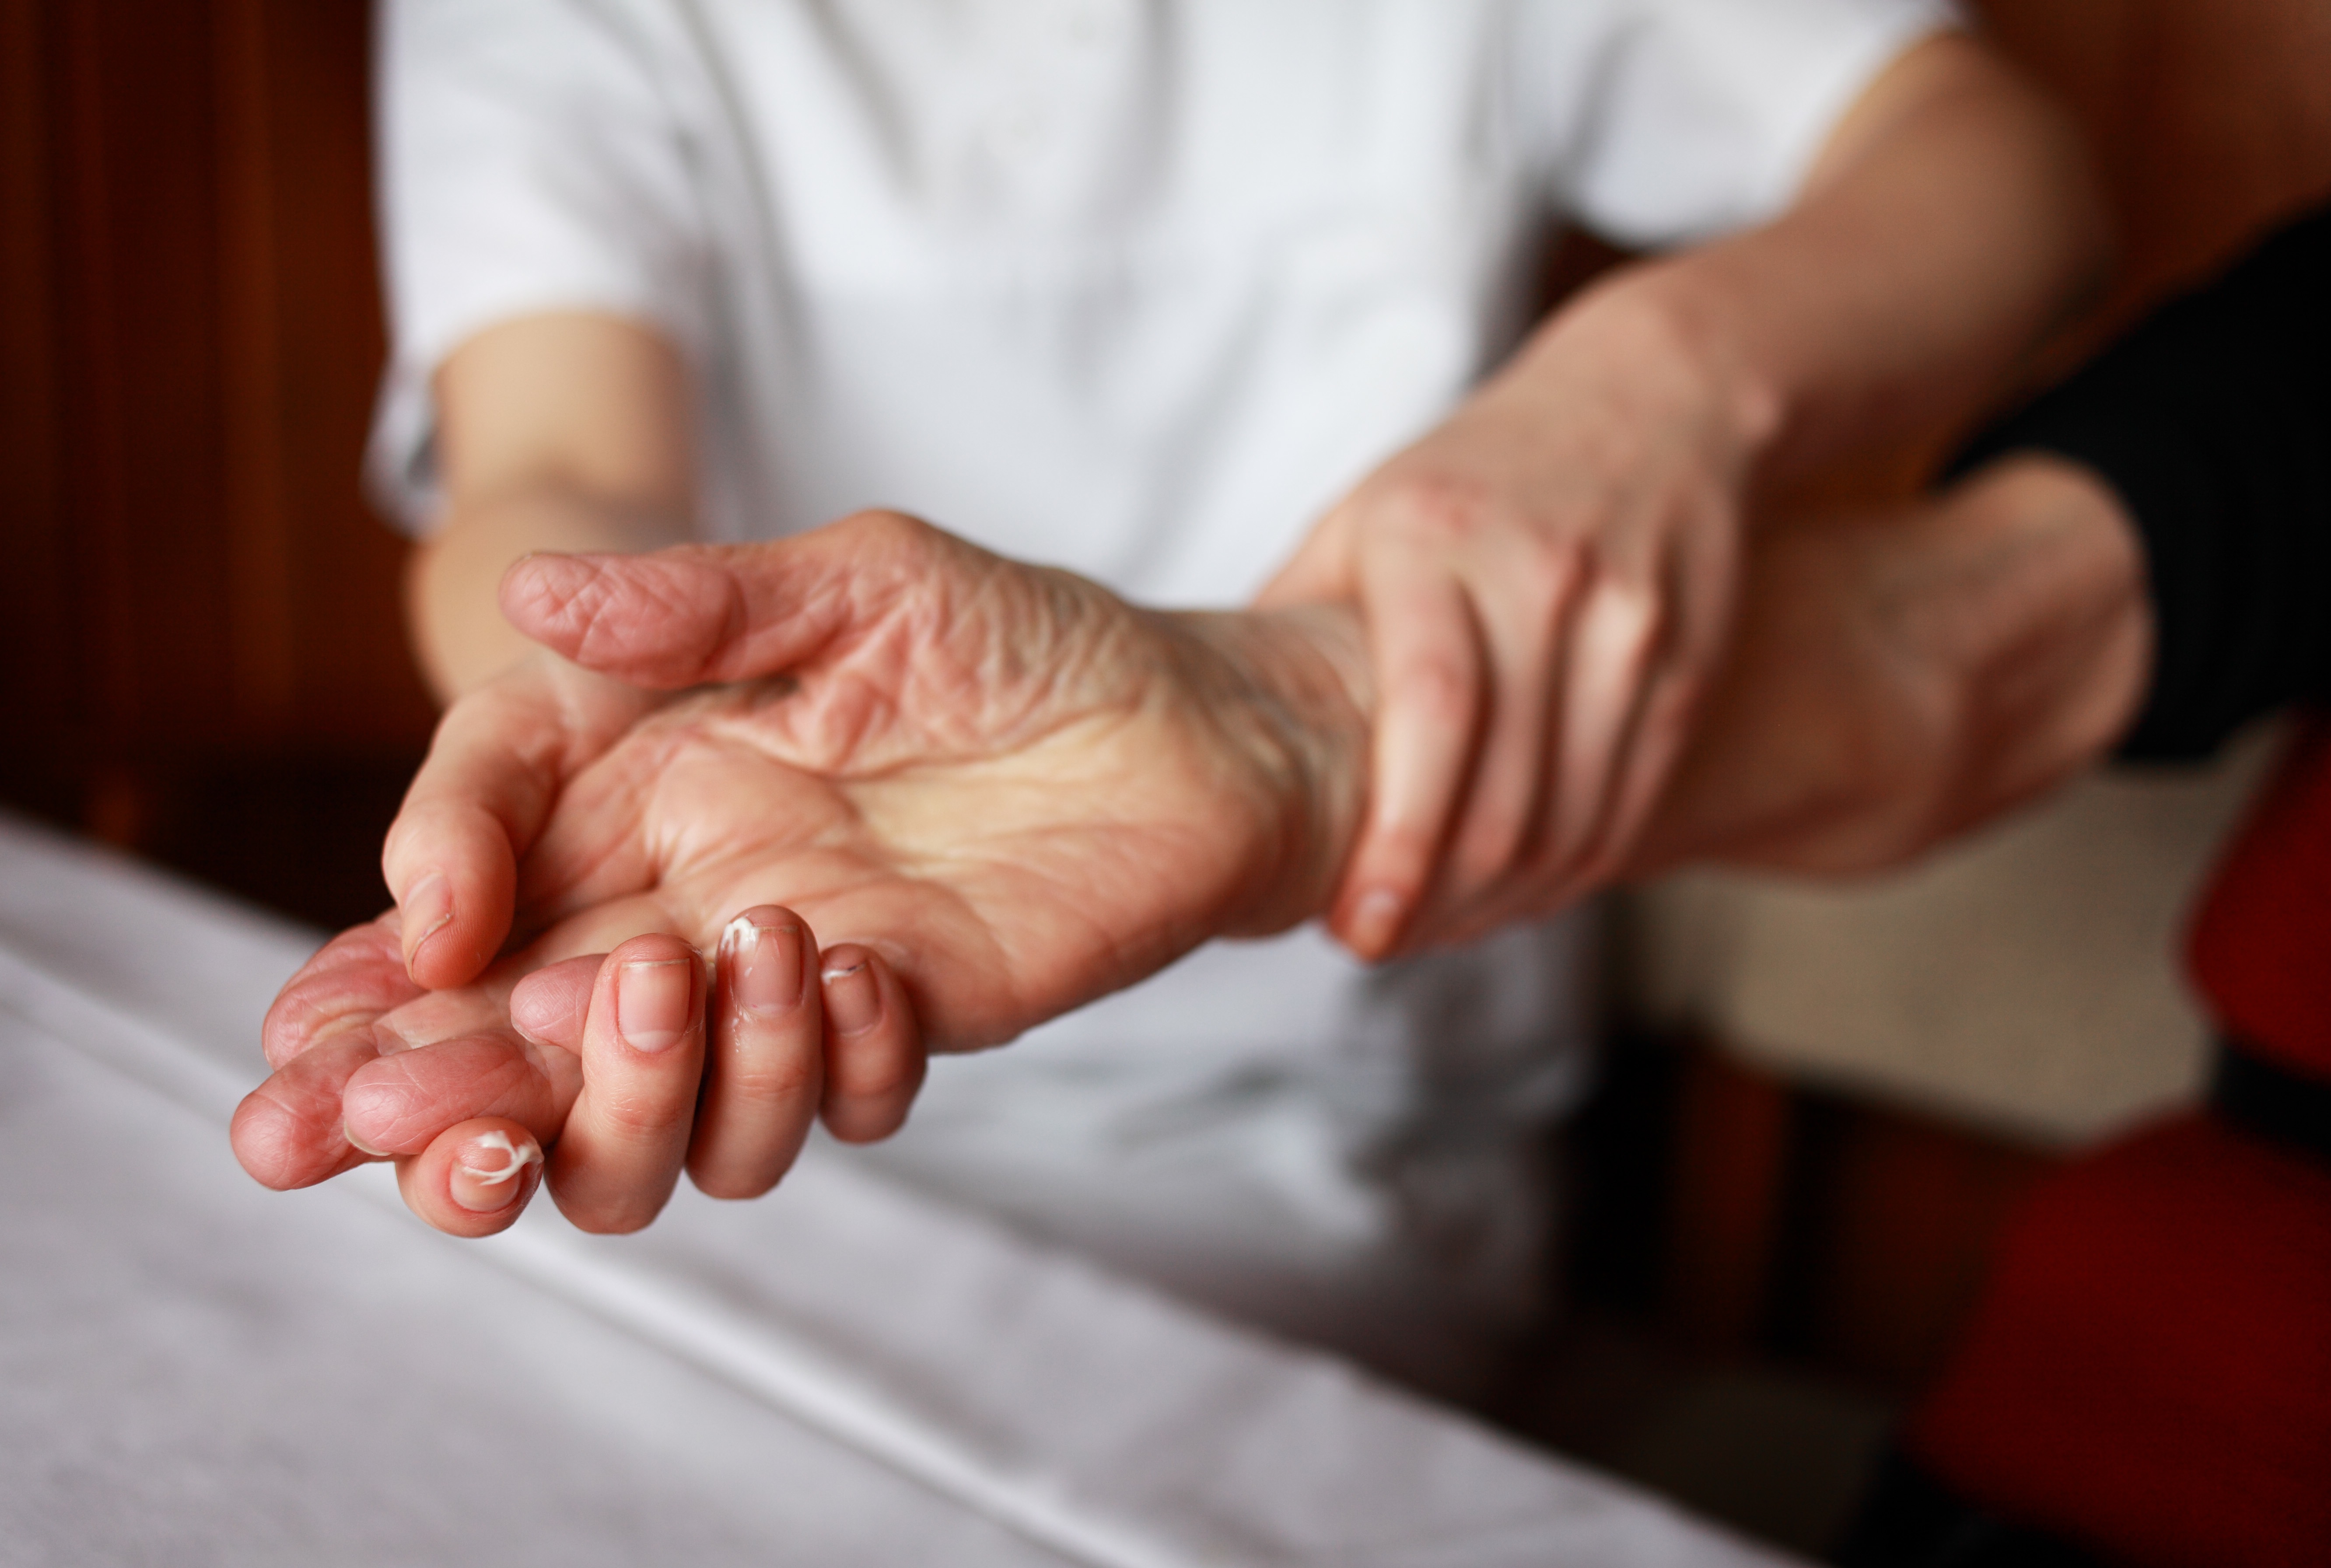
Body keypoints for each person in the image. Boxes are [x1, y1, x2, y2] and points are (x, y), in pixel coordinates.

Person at [346, 0, 2101, 1393]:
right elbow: (560, 457)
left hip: (1314, 1110)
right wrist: (600, 682)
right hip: (753, 991)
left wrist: (1661, 375)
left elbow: (1996, 166)